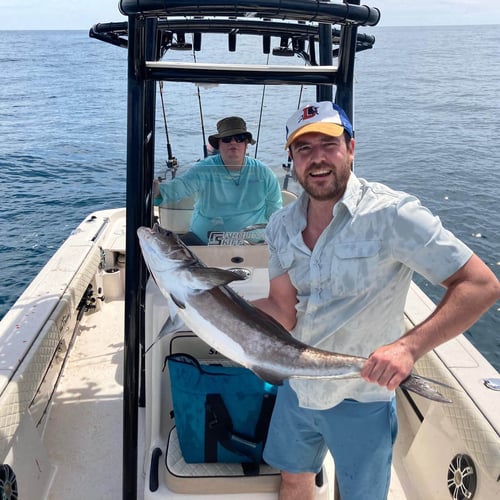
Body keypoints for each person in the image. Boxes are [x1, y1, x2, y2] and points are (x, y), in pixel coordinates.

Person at [253, 101, 500, 500]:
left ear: (351, 148)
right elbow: (282, 309)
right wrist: (214, 313)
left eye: (328, 145)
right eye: (304, 149)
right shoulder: (281, 225)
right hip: (298, 387)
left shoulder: (392, 214)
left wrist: (408, 348)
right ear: (292, 160)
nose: (317, 159)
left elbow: (480, 285)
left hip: (362, 393)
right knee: (294, 479)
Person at [153, 116, 282, 244]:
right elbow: (181, 187)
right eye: (227, 139)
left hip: (253, 244)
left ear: (246, 144)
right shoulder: (203, 169)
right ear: (219, 144)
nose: (233, 142)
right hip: (203, 241)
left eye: (239, 138)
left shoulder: (264, 173)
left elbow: (275, 211)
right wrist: (158, 191)